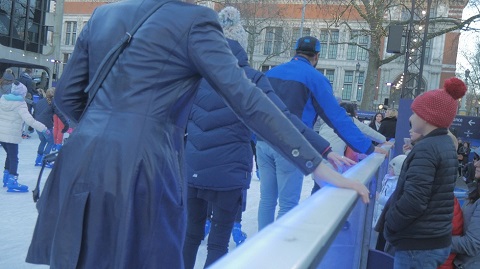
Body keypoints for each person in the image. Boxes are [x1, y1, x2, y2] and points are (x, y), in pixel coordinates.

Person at [26, 1, 370, 268]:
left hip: (81, 156)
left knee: (81, 257)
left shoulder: (102, 15)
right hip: (142, 162)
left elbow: (69, 96)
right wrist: (315, 163)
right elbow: (247, 99)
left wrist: (107, 127)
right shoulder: (193, 21)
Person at [182, 7, 354, 268]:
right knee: (218, 243)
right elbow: (283, 119)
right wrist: (325, 150)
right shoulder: (250, 79)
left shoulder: (196, 78)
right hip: (227, 175)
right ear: (242, 45)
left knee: (190, 236)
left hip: (193, 170)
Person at [381, 77, 466, 268]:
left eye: (414, 113)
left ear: (428, 117)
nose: (410, 118)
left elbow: (414, 200)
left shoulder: (427, 149)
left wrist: (390, 222)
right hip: (433, 239)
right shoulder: (444, 145)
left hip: (418, 244)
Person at [0, 82, 47, 192]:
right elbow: (29, 120)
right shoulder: (20, 103)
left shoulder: (3, 100)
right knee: (14, 158)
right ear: (23, 93)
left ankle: (6, 178)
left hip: (1, 134)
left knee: (9, 155)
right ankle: (12, 180)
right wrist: (43, 128)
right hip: (11, 135)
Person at [451, 147, 480, 269]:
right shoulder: (475, 191)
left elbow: (472, 244)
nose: (476, 164)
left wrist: (435, 240)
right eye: (476, 159)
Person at [33, 88, 69, 167]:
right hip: (46, 126)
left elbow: (35, 113)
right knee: (51, 142)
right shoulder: (53, 103)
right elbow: (60, 115)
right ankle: (45, 160)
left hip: (37, 125)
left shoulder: (39, 101)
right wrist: (66, 124)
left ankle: (38, 160)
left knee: (43, 141)